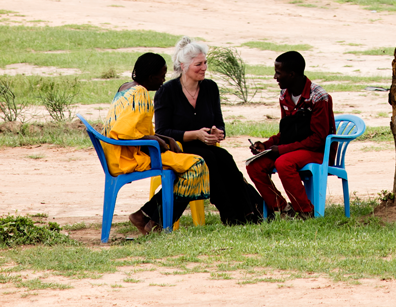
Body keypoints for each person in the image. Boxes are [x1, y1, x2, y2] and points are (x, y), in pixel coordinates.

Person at [155, 37, 265, 225]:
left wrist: (217, 133)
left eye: (205, 62)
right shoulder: (167, 91)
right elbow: (162, 132)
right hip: (179, 147)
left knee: (226, 158)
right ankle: (230, 214)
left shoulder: (210, 88)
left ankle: (249, 211)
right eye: (198, 64)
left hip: (206, 146)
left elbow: (219, 123)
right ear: (183, 65)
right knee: (211, 159)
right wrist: (195, 134)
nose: (204, 68)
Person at [103, 53, 209, 235]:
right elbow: (124, 133)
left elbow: (135, 127)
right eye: (161, 75)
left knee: (185, 161)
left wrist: (162, 138)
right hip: (129, 157)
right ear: (151, 77)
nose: (164, 80)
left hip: (117, 154)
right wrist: (156, 139)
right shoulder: (140, 93)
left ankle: (145, 215)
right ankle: (154, 221)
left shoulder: (125, 88)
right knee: (197, 165)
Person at [246, 51, 334, 218]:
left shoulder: (318, 96)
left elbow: (318, 139)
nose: (275, 77)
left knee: (283, 162)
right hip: (293, 149)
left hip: (318, 152)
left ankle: (305, 211)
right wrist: (266, 145)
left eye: (278, 72)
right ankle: (284, 210)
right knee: (254, 165)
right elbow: (286, 132)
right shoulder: (284, 95)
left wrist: (281, 149)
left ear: (292, 74)